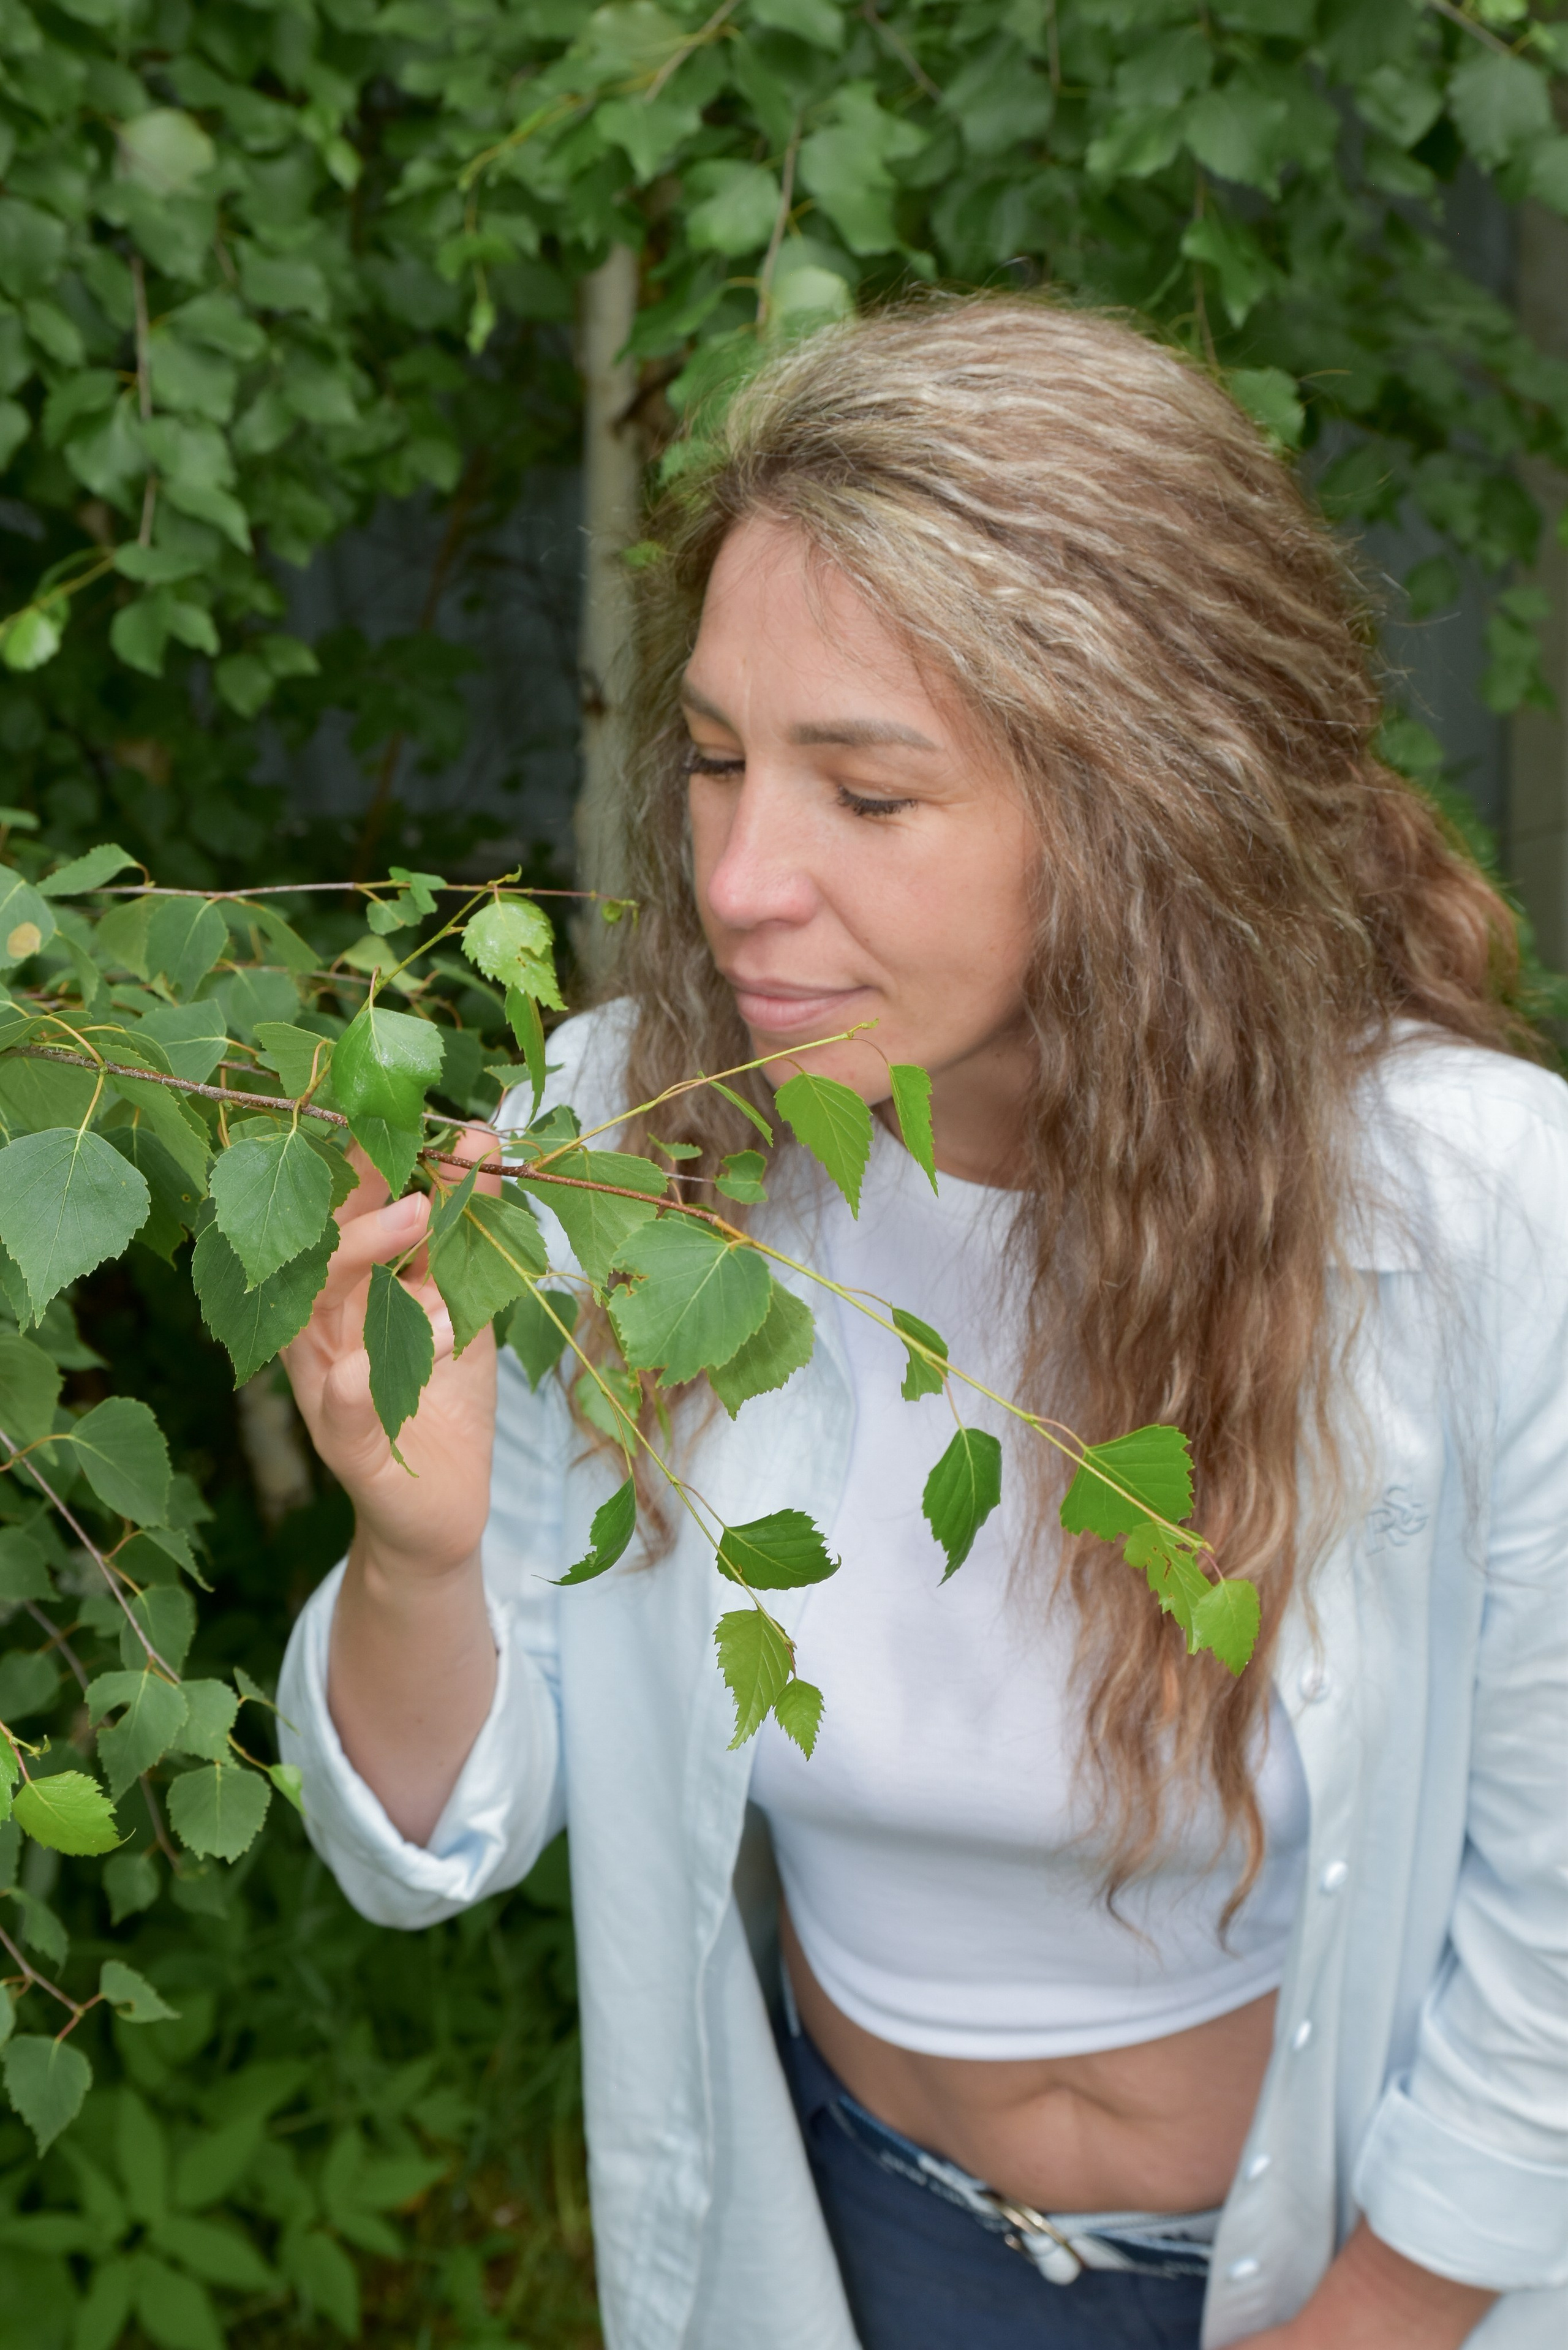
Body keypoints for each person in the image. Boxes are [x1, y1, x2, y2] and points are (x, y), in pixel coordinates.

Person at [277, 296, 1568, 2350]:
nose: (740, 882)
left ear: (1157, 802)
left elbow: (1558, 1900)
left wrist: (1383, 2320)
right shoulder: (616, 1151)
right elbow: (429, 1850)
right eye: (710, 763)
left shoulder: (1485, 1211)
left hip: (1357, 2272)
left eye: (866, 798)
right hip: (854, 2253)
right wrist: (416, 1556)